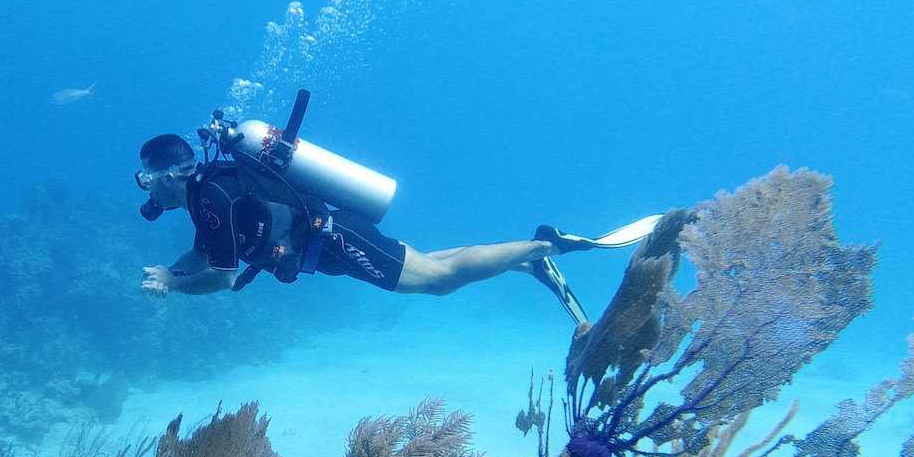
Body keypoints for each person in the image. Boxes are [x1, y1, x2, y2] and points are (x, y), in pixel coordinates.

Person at [133, 132, 652, 322]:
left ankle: (545, 247)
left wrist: (174, 287)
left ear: (164, 174)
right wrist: (171, 272)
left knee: (438, 282)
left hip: (333, 239)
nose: (145, 192)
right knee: (434, 263)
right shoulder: (211, 194)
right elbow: (205, 254)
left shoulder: (212, 196)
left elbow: (221, 276)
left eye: (144, 179)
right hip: (333, 235)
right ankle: (528, 258)